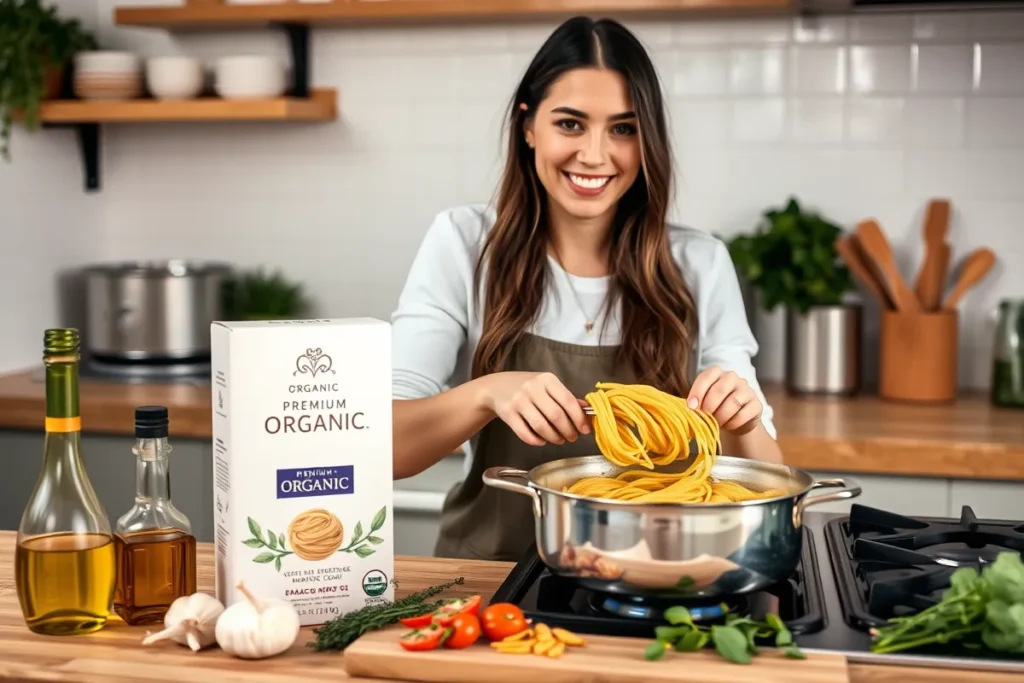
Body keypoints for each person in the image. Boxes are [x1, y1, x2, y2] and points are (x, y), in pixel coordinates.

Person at [389, 16, 782, 562]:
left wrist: (741, 416)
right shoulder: (462, 243)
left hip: (655, 577)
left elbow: (766, 478)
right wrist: (487, 393)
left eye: (623, 129)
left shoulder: (700, 263)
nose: (595, 155)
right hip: (491, 581)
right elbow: (384, 446)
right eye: (570, 124)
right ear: (529, 127)